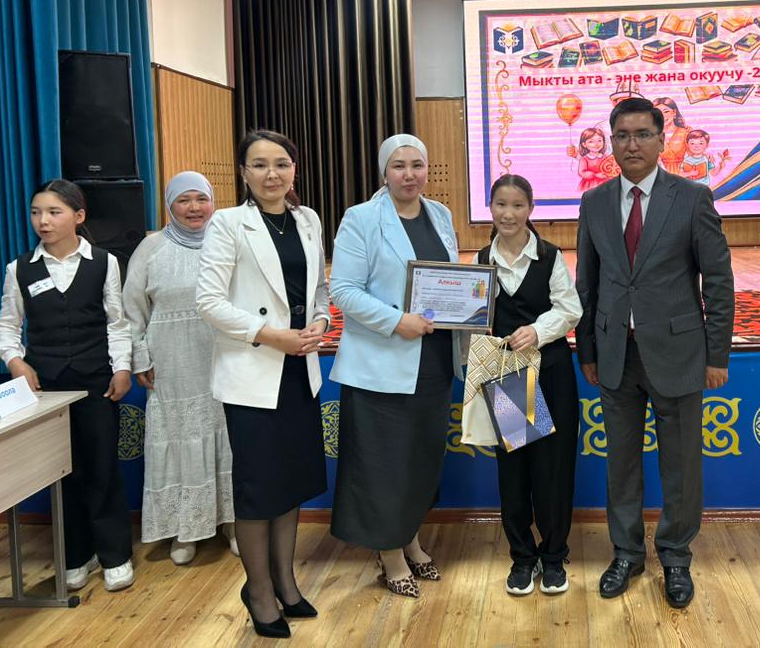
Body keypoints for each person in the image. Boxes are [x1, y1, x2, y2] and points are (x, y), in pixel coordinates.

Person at [575, 97, 734, 609]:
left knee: (681, 467)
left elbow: (719, 281)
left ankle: (676, 557)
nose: (632, 144)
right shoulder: (594, 202)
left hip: (680, 353)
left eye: (643, 134)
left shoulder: (692, 197)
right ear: (611, 142)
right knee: (621, 464)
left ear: (663, 140)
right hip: (615, 355)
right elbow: (587, 284)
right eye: (622, 135)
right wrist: (587, 349)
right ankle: (626, 553)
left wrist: (717, 355)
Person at [197, 130, 330, 639]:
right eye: (259, 164)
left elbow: (318, 290)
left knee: (290, 483)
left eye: (281, 163)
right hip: (254, 371)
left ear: (295, 168)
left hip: (299, 369)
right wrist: (272, 335)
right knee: (257, 488)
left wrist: (319, 322)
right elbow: (209, 302)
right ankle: (257, 590)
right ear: (243, 173)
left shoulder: (308, 219)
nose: (271, 174)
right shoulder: (229, 223)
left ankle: (285, 583)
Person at [329, 134, 462, 599]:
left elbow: (449, 281)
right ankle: (389, 555)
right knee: (382, 463)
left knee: (419, 459)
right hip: (381, 363)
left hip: (434, 360)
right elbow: (343, 290)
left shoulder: (440, 214)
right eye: (399, 166)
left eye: (417, 165)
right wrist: (394, 321)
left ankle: (411, 539)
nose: (409, 175)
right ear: (384, 172)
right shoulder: (361, 219)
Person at [0, 180, 134, 592]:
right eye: (36, 212)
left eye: (54, 212)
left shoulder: (104, 263)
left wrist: (122, 367)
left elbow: (118, 322)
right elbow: (7, 326)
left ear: (78, 216)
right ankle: (76, 553)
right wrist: (16, 361)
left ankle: (115, 555)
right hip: (46, 388)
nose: (43, 221)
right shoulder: (19, 269)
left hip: (96, 382)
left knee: (102, 467)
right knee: (61, 471)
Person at [474, 174, 582, 596]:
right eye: (501, 205)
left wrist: (538, 331)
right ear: (490, 208)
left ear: (530, 209)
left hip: (551, 372)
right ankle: (522, 557)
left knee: (553, 469)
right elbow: (473, 316)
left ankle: (554, 557)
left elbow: (570, 308)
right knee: (515, 470)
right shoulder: (481, 259)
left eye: (517, 205)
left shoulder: (549, 256)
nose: (508, 214)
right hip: (509, 376)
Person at [123, 172, 236, 566]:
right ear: (169, 205)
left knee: (227, 437)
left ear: (212, 202)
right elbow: (131, 308)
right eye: (184, 200)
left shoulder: (227, 240)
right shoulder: (151, 247)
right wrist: (140, 356)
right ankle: (185, 528)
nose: (194, 208)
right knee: (179, 436)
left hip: (224, 357)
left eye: (201, 199)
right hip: (171, 363)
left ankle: (233, 523)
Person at [653, 97, 692, 174]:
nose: (662, 116)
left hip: (683, 174)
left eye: (666, 111)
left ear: (674, 112)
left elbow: (695, 156)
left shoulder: (686, 133)